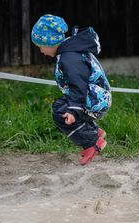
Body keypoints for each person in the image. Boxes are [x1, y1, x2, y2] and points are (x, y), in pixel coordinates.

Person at [31, 14, 112, 165]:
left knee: (61, 113)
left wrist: (74, 111)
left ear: (50, 42)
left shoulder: (69, 57)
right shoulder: (69, 51)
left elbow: (78, 84)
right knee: (58, 107)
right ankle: (93, 131)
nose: (41, 51)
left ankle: (92, 142)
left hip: (96, 99)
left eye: (40, 47)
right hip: (93, 96)